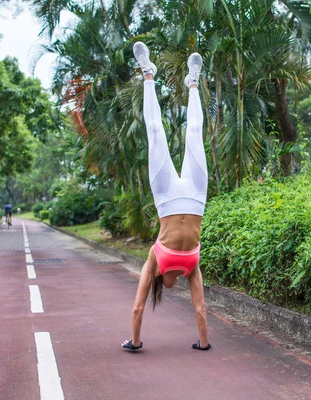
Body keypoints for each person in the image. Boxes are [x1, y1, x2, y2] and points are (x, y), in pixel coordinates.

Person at [121, 42, 211, 351]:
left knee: (155, 132)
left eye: (169, 286)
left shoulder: (154, 262)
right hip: (196, 198)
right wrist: (204, 344)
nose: (174, 285)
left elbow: (137, 308)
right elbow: (200, 310)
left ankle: (148, 74)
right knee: (195, 132)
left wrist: (134, 343)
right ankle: (193, 81)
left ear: (163, 283)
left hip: (165, 198)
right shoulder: (192, 268)